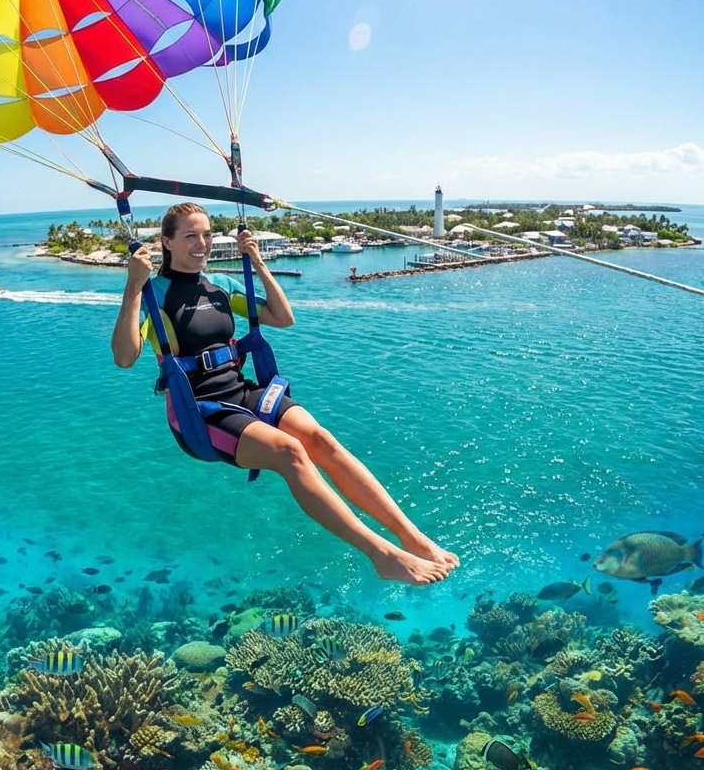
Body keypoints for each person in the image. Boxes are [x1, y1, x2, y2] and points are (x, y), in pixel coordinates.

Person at [111, 202, 458, 586]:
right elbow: (125, 358)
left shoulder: (221, 286)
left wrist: (258, 263)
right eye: (191, 236)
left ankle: (412, 538)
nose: (202, 243)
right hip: (199, 411)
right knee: (290, 452)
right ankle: (383, 555)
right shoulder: (155, 294)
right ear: (167, 242)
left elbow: (282, 317)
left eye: (207, 234)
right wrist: (133, 286)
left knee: (320, 439)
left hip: (241, 392)